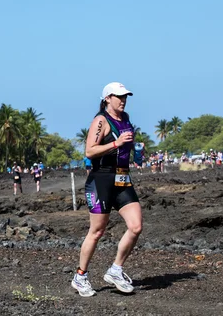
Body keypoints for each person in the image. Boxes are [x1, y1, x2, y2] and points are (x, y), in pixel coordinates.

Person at [71, 82, 142, 297]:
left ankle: (115, 270)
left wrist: (136, 150)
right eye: (119, 96)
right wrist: (116, 143)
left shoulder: (126, 119)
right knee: (97, 231)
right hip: (101, 178)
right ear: (107, 99)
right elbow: (90, 151)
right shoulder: (101, 120)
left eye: (125, 96)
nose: (123, 100)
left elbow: (126, 146)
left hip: (122, 177)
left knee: (136, 226)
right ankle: (80, 276)